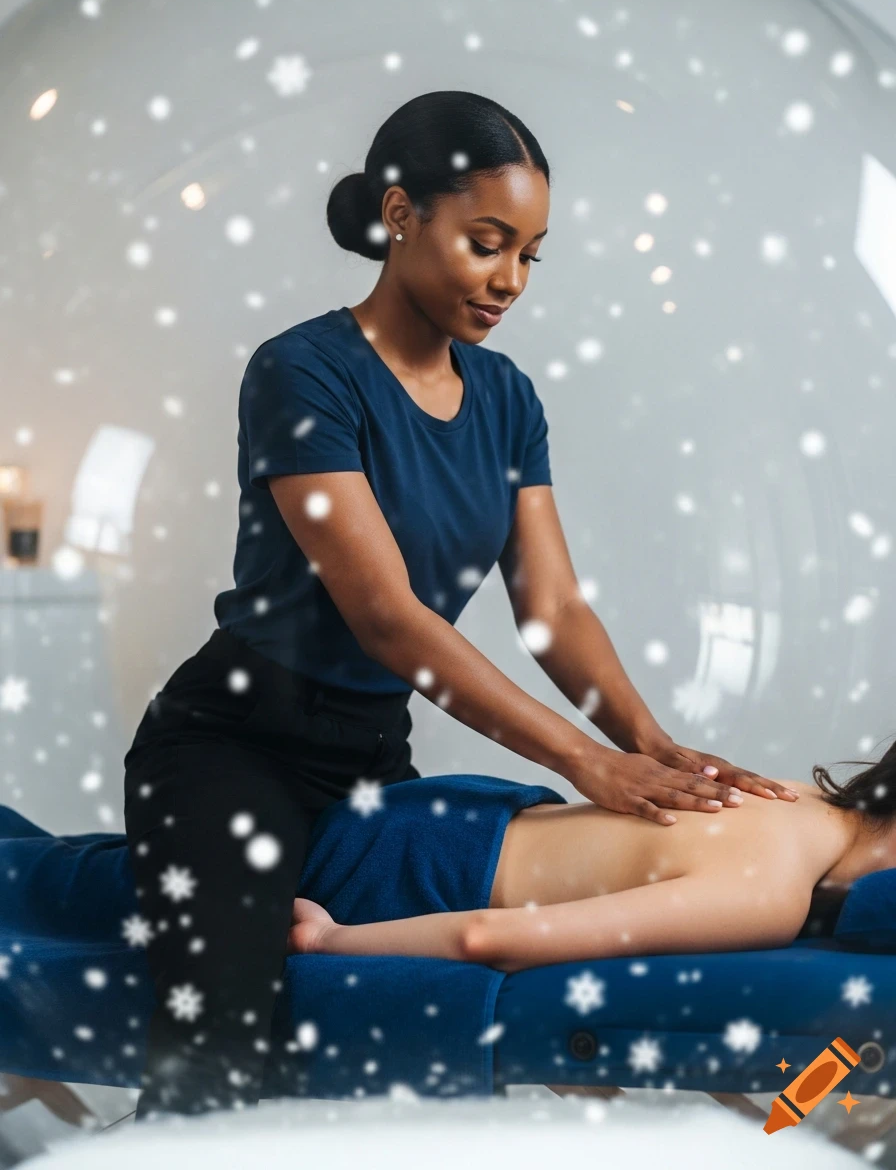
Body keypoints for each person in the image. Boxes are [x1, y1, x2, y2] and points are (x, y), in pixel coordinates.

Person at [123, 89, 797, 1122]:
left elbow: (554, 608)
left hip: (368, 755)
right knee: (222, 1049)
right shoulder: (302, 370)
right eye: (488, 244)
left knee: (421, 1018)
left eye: (530, 254)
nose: (511, 280)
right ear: (400, 216)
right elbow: (385, 615)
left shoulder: (507, 397)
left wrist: (652, 749)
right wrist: (581, 760)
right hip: (234, 742)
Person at [286, 739, 896, 974]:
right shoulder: (768, 895)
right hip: (403, 875)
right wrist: (327, 941)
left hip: (446, 808)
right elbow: (485, 939)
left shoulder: (796, 796)